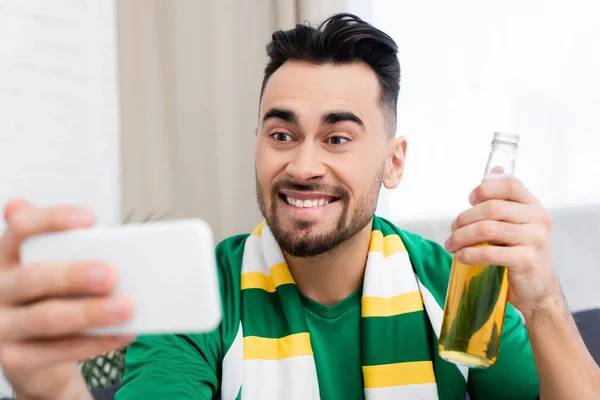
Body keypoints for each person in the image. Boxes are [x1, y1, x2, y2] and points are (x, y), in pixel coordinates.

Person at [0, 13, 598, 400]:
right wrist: (52, 386)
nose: (303, 164)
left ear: (394, 161)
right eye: (281, 135)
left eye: (338, 137)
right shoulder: (203, 296)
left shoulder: (451, 288)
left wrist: (543, 301)